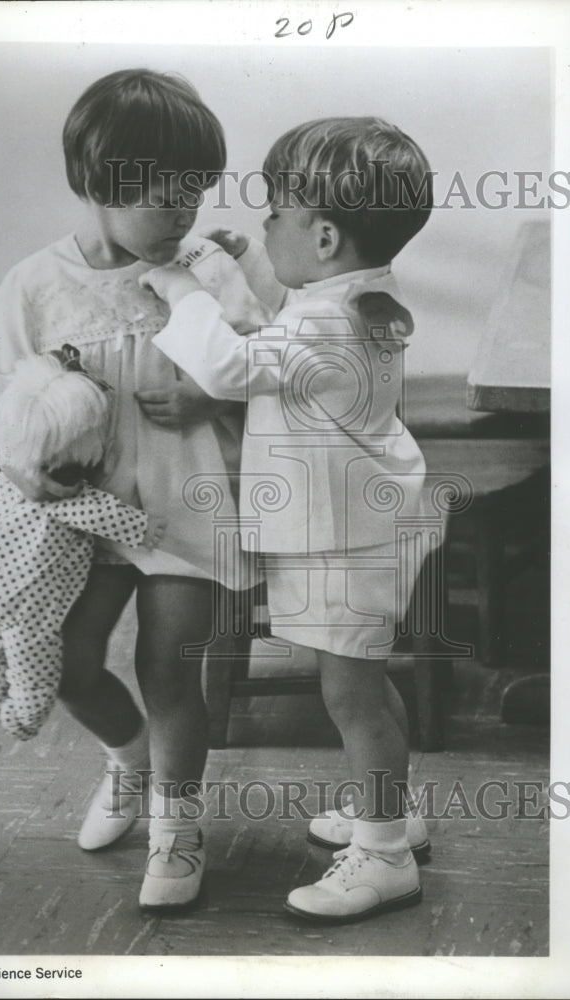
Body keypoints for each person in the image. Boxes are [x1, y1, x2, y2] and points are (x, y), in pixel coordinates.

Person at [0, 69, 262, 910]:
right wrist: (22, 468)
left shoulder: (204, 270)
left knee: (170, 668)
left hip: (184, 504)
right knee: (68, 662)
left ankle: (177, 826)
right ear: (100, 184)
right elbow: (1, 400)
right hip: (80, 522)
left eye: (195, 198)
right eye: (167, 199)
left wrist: (209, 393)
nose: (184, 218)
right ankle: (127, 764)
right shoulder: (36, 283)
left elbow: (265, 367)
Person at [143, 116, 435, 923]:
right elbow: (281, 328)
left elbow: (236, 364)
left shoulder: (323, 321)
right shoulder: (364, 298)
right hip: (361, 526)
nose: (264, 222)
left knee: (351, 697)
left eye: (276, 212)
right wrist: (235, 272)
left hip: (341, 539)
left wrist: (179, 286)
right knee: (365, 685)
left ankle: (382, 856)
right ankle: (393, 812)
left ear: (327, 235)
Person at [0, 347, 166, 742]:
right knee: (27, 660)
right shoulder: (70, 499)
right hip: (26, 606)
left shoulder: (5, 487)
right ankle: (12, 709)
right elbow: (111, 515)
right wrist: (145, 528)